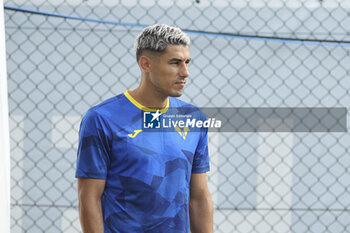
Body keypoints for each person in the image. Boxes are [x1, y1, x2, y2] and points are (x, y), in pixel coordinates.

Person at [76, 24, 213, 233]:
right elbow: (89, 197)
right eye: (175, 63)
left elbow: (199, 197)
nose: (185, 72)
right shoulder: (101, 118)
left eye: (186, 62)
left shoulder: (193, 118)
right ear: (146, 64)